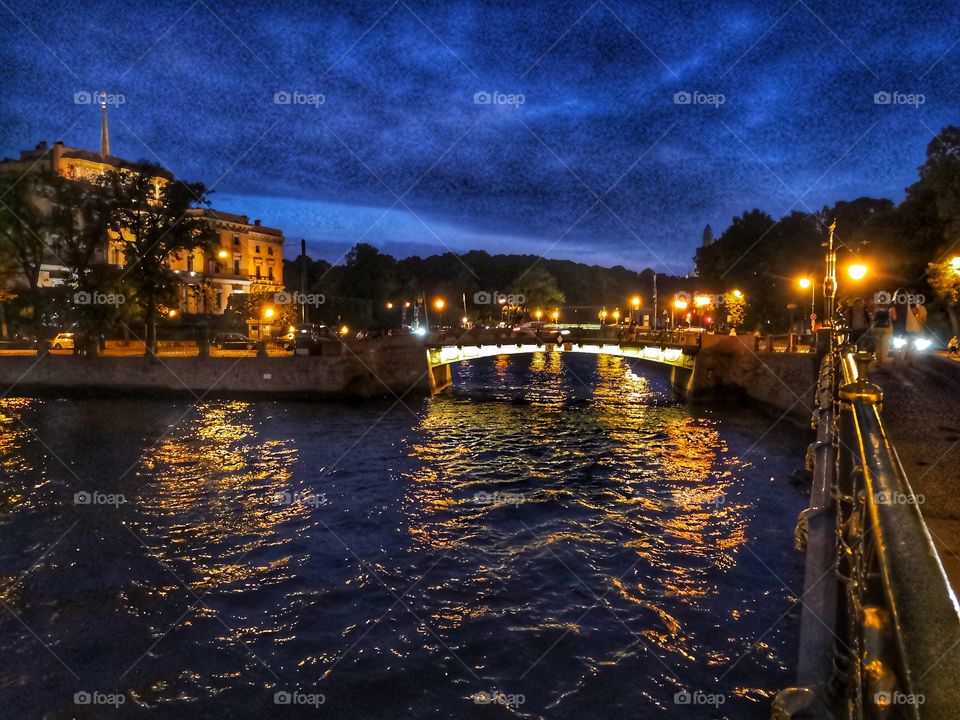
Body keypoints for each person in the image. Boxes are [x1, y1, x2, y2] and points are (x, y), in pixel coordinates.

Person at [871, 301, 896, 366]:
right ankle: (882, 361)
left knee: (878, 346)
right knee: (885, 346)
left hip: (876, 330)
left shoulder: (876, 312)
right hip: (886, 330)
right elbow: (892, 319)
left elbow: (873, 321)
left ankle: (878, 361)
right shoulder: (888, 312)